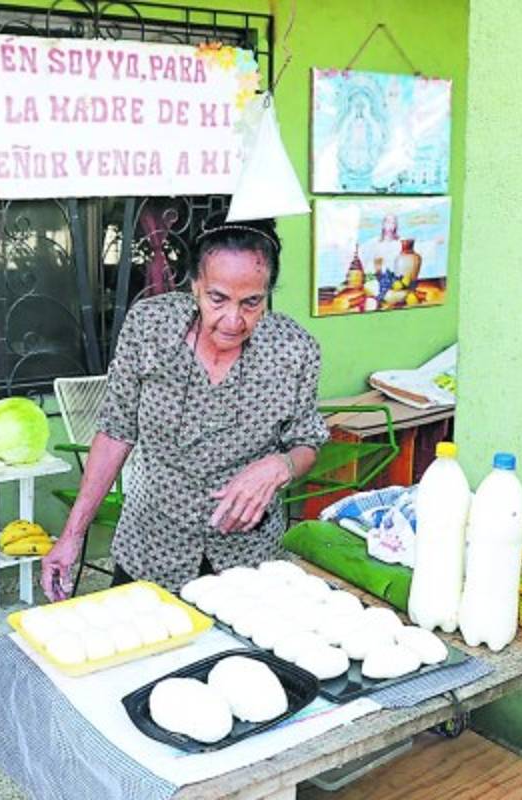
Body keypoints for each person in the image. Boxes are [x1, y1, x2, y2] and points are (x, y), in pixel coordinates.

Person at [40, 214, 329, 600]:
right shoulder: (150, 328)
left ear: (267, 293)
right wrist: (72, 535)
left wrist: (281, 466)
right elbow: (115, 433)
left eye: (252, 302)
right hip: (152, 549)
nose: (233, 320)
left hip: (247, 562)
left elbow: (307, 441)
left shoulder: (295, 350)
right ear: (194, 285)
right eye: (217, 298)